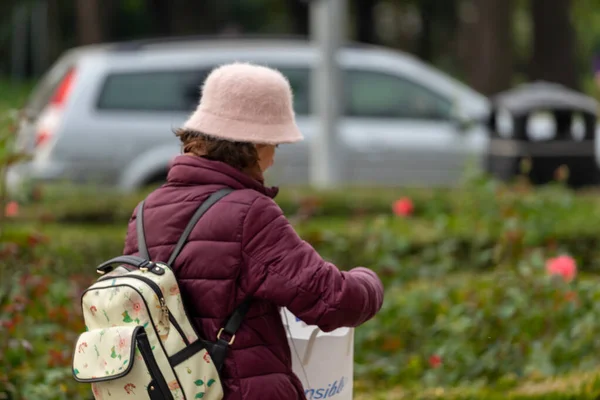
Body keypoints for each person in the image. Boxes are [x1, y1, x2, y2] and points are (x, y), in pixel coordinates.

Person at [123, 62, 384, 400]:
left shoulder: (145, 211)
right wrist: (370, 281)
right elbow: (332, 300)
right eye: (275, 145)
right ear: (255, 143)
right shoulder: (250, 213)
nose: (274, 160)